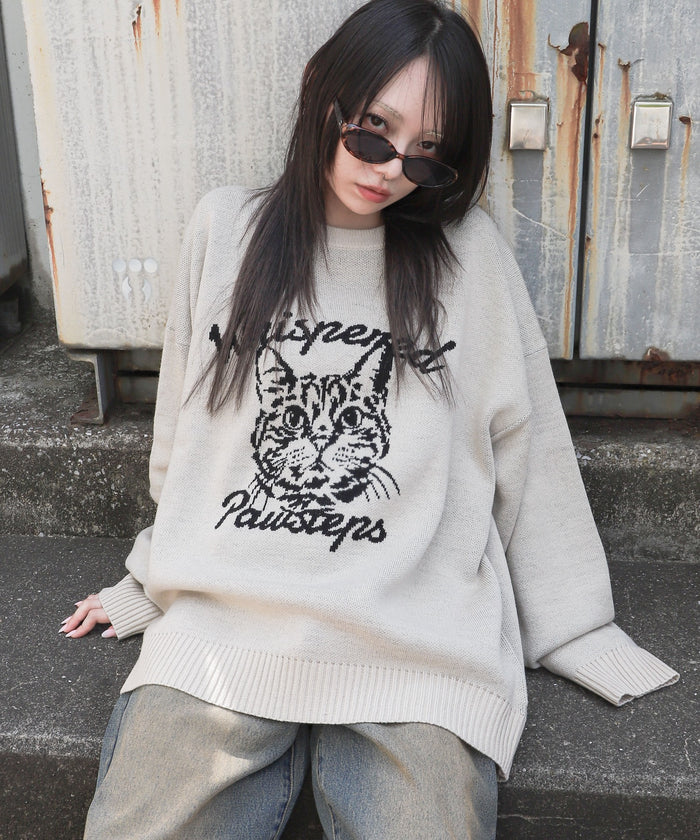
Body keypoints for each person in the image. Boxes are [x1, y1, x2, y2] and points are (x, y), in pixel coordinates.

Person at [61, 1, 678, 837]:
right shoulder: (226, 229)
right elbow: (186, 435)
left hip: (415, 640)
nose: (390, 169)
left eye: (427, 154)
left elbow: (526, 443)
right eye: (373, 131)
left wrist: (578, 627)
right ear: (322, 91)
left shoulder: (467, 256)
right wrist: (149, 579)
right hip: (228, 626)